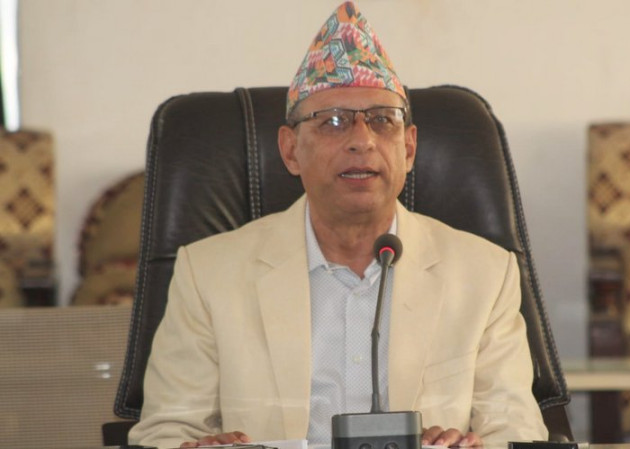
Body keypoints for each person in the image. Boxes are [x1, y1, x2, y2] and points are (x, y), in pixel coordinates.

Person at [128, 2, 548, 448]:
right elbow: (165, 431)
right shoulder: (209, 273)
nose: (362, 141)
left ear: (408, 149)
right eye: (332, 122)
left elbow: (517, 433)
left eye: (382, 121)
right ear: (290, 150)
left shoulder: (484, 274)